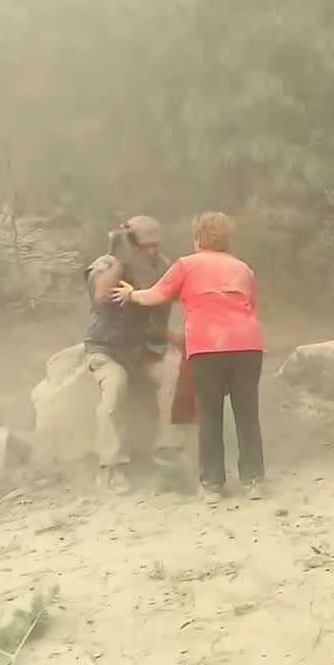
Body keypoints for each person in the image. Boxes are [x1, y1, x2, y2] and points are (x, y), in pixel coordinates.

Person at [112, 212, 265, 505]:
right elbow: (251, 305)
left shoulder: (186, 265)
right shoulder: (244, 269)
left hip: (207, 347)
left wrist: (131, 294)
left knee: (210, 415)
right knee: (247, 415)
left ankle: (212, 485)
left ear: (198, 239)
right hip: (247, 345)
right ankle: (254, 482)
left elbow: (155, 295)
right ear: (227, 240)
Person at [82, 215, 183, 493]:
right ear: (130, 243)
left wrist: (172, 339)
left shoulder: (161, 266)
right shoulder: (104, 266)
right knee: (114, 388)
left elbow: (167, 303)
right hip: (108, 349)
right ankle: (110, 466)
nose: (151, 251)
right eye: (144, 246)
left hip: (145, 349)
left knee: (174, 375)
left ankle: (168, 449)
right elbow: (102, 296)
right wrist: (122, 261)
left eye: (155, 245)